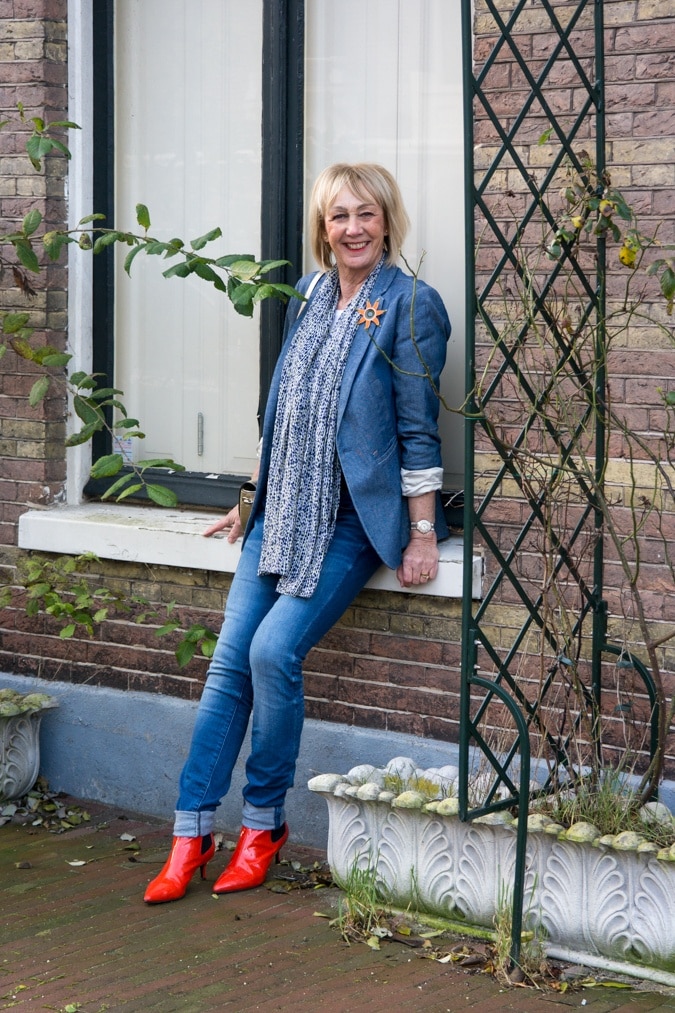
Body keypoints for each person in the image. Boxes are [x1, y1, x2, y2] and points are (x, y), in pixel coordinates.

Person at [143, 162, 451, 904]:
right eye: (339, 215)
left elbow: (416, 429)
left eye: (366, 215)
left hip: (349, 522)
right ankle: (189, 833)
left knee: (271, 650)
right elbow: (283, 414)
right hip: (280, 513)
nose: (352, 228)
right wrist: (250, 498)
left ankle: (260, 824)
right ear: (322, 227)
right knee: (226, 668)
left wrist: (420, 533)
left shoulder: (411, 306)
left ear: (386, 222)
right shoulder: (310, 295)